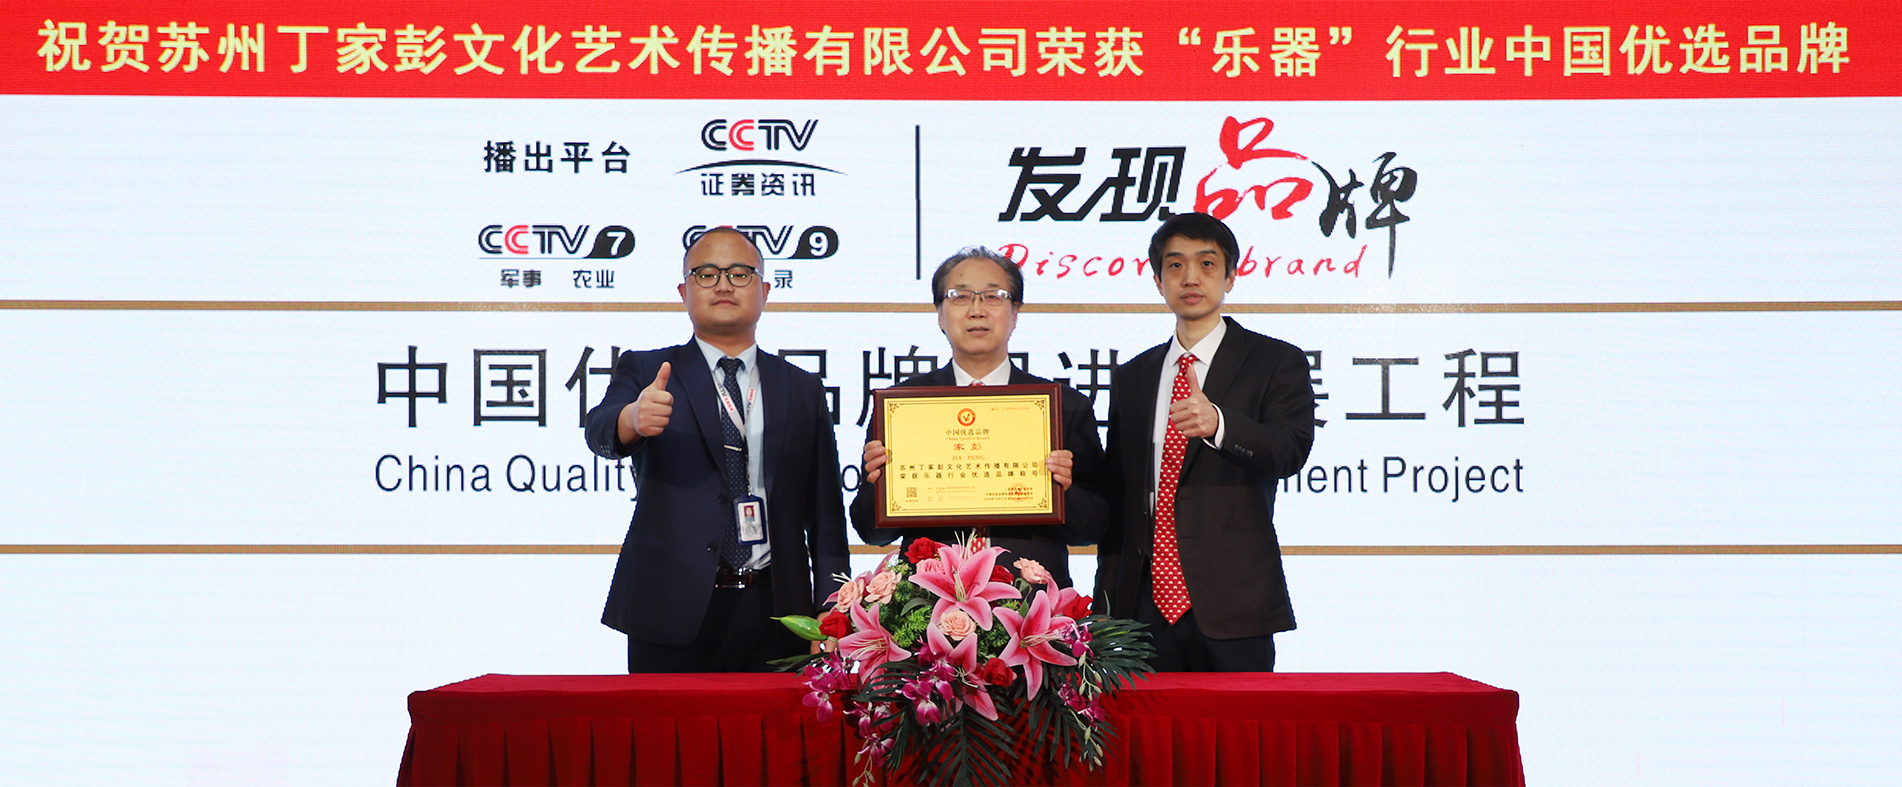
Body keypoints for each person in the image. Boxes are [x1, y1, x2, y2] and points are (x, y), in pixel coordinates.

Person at [585, 227, 849, 673]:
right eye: (706, 274)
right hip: (670, 609)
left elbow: (826, 516)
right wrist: (631, 419)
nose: (724, 285)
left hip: (780, 611)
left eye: (740, 274)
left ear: (765, 291)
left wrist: (831, 605)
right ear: (683, 292)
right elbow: (600, 430)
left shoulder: (801, 387)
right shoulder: (648, 369)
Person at [1093, 213, 1315, 672]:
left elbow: (1289, 450)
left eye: (1207, 264)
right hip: (1142, 605)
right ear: (1158, 281)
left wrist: (1219, 424)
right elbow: (1122, 494)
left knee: (1240, 720)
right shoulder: (1134, 376)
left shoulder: (1275, 361)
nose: (1190, 277)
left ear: (1230, 276)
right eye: (1175, 265)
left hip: (1234, 603)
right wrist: (1107, 608)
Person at [850, 247, 1109, 587]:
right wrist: (879, 485)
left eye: (992, 296)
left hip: (1033, 605)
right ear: (939, 315)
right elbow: (871, 533)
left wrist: (1065, 490)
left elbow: (1095, 527)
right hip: (925, 605)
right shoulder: (903, 408)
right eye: (960, 297)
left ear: (1015, 312)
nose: (976, 310)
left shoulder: (1062, 407)